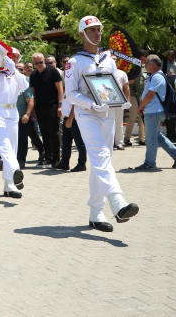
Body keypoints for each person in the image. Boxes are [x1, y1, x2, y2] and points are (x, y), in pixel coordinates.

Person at [64, 16, 138, 232]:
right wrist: (90, 104)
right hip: (87, 114)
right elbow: (70, 93)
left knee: (102, 161)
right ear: (82, 34)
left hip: (106, 113)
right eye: (92, 30)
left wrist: (119, 102)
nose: (97, 33)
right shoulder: (75, 61)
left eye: (99, 29)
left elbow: (114, 85)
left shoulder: (109, 59)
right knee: (100, 156)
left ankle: (96, 212)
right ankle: (118, 202)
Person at [133, 55, 176, 170]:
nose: (145, 65)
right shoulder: (156, 76)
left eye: (147, 63)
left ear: (154, 64)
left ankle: (150, 163)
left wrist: (141, 106)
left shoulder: (157, 77)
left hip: (153, 111)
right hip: (153, 111)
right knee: (157, 136)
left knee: (150, 138)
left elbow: (150, 94)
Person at [0, 51, 28, 198]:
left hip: (12, 113)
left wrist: (13, 70)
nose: (13, 59)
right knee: (4, 145)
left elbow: (24, 85)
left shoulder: (17, 73)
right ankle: (15, 170)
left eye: (16, 57)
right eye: (11, 56)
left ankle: (9, 185)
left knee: (13, 147)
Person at [29, 52, 63, 168]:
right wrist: (32, 110)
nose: (39, 64)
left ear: (44, 61)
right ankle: (48, 158)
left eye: (40, 62)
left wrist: (60, 105)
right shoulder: (33, 75)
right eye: (36, 63)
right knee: (44, 133)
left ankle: (56, 158)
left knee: (53, 132)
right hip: (40, 107)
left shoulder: (53, 71)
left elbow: (60, 89)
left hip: (53, 105)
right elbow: (33, 93)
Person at [55, 100, 88, 172]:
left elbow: (75, 105)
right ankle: (65, 163)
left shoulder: (72, 90)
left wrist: (70, 118)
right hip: (67, 118)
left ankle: (82, 164)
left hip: (74, 119)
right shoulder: (67, 90)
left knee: (79, 142)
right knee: (66, 141)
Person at [14, 62, 36, 169]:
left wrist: (27, 114)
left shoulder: (24, 85)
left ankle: (21, 160)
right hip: (10, 118)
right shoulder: (8, 83)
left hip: (22, 117)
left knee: (22, 140)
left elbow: (31, 101)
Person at [125, 50, 148, 147]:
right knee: (133, 117)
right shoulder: (132, 67)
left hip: (142, 94)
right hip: (133, 94)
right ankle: (127, 138)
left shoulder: (145, 67)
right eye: (141, 59)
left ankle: (142, 139)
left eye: (144, 59)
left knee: (143, 117)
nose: (142, 61)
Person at [111, 55, 131, 151]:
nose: (112, 61)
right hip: (106, 102)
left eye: (114, 59)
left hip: (119, 101)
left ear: (117, 62)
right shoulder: (104, 72)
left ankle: (119, 143)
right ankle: (109, 143)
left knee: (118, 123)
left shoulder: (122, 73)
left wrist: (128, 101)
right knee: (107, 123)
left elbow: (126, 88)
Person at [161, 50, 176, 142]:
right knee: (168, 110)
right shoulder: (163, 63)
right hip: (167, 88)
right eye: (169, 54)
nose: (171, 56)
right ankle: (169, 134)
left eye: (172, 55)